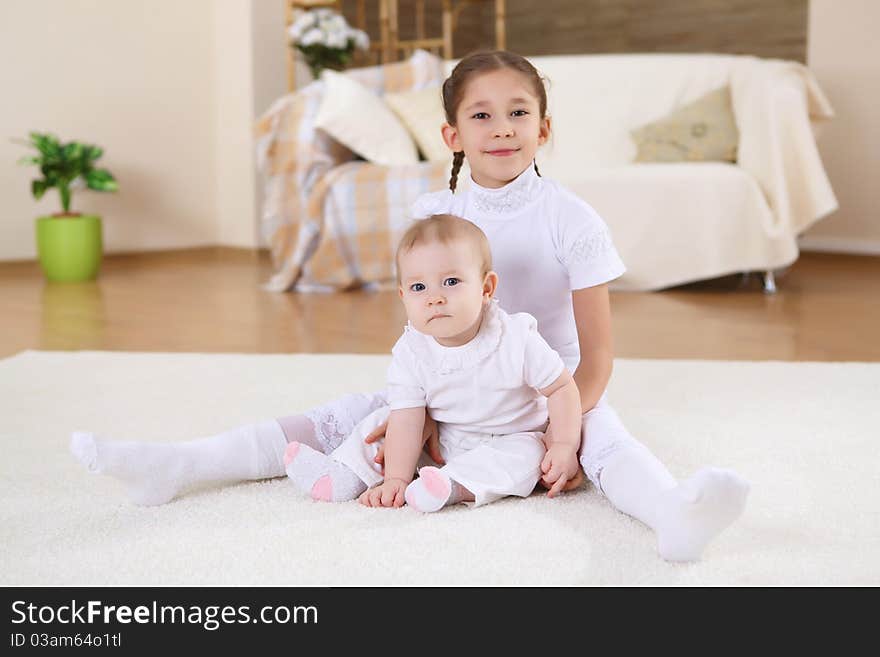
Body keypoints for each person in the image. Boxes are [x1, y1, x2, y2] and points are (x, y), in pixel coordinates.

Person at [70, 49, 748, 562]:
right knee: (345, 420)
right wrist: (414, 419)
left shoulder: (573, 219)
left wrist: (556, 434)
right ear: (452, 134)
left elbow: (595, 356)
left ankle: (671, 514)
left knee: (609, 444)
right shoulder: (437, 212)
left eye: (519, 112)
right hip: (446, 390)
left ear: (544, 129)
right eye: (481, 114)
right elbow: (422, 327)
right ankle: (178, 463)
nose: (502, 127)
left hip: (552, 391)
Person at [284, 214, 582, 511]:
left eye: (451, 282)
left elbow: (561, 388)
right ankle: (346, 472)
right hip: (440, 441)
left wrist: (564, 445)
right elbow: (408, 419)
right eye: (418, 288)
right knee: (383, 421)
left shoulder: (515, 338)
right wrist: (397, 479)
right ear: (403, 296)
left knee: (526, 457)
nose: (434, 298)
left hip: (510, 437)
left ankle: (451, 486)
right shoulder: (411, 350)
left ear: (486, 288)